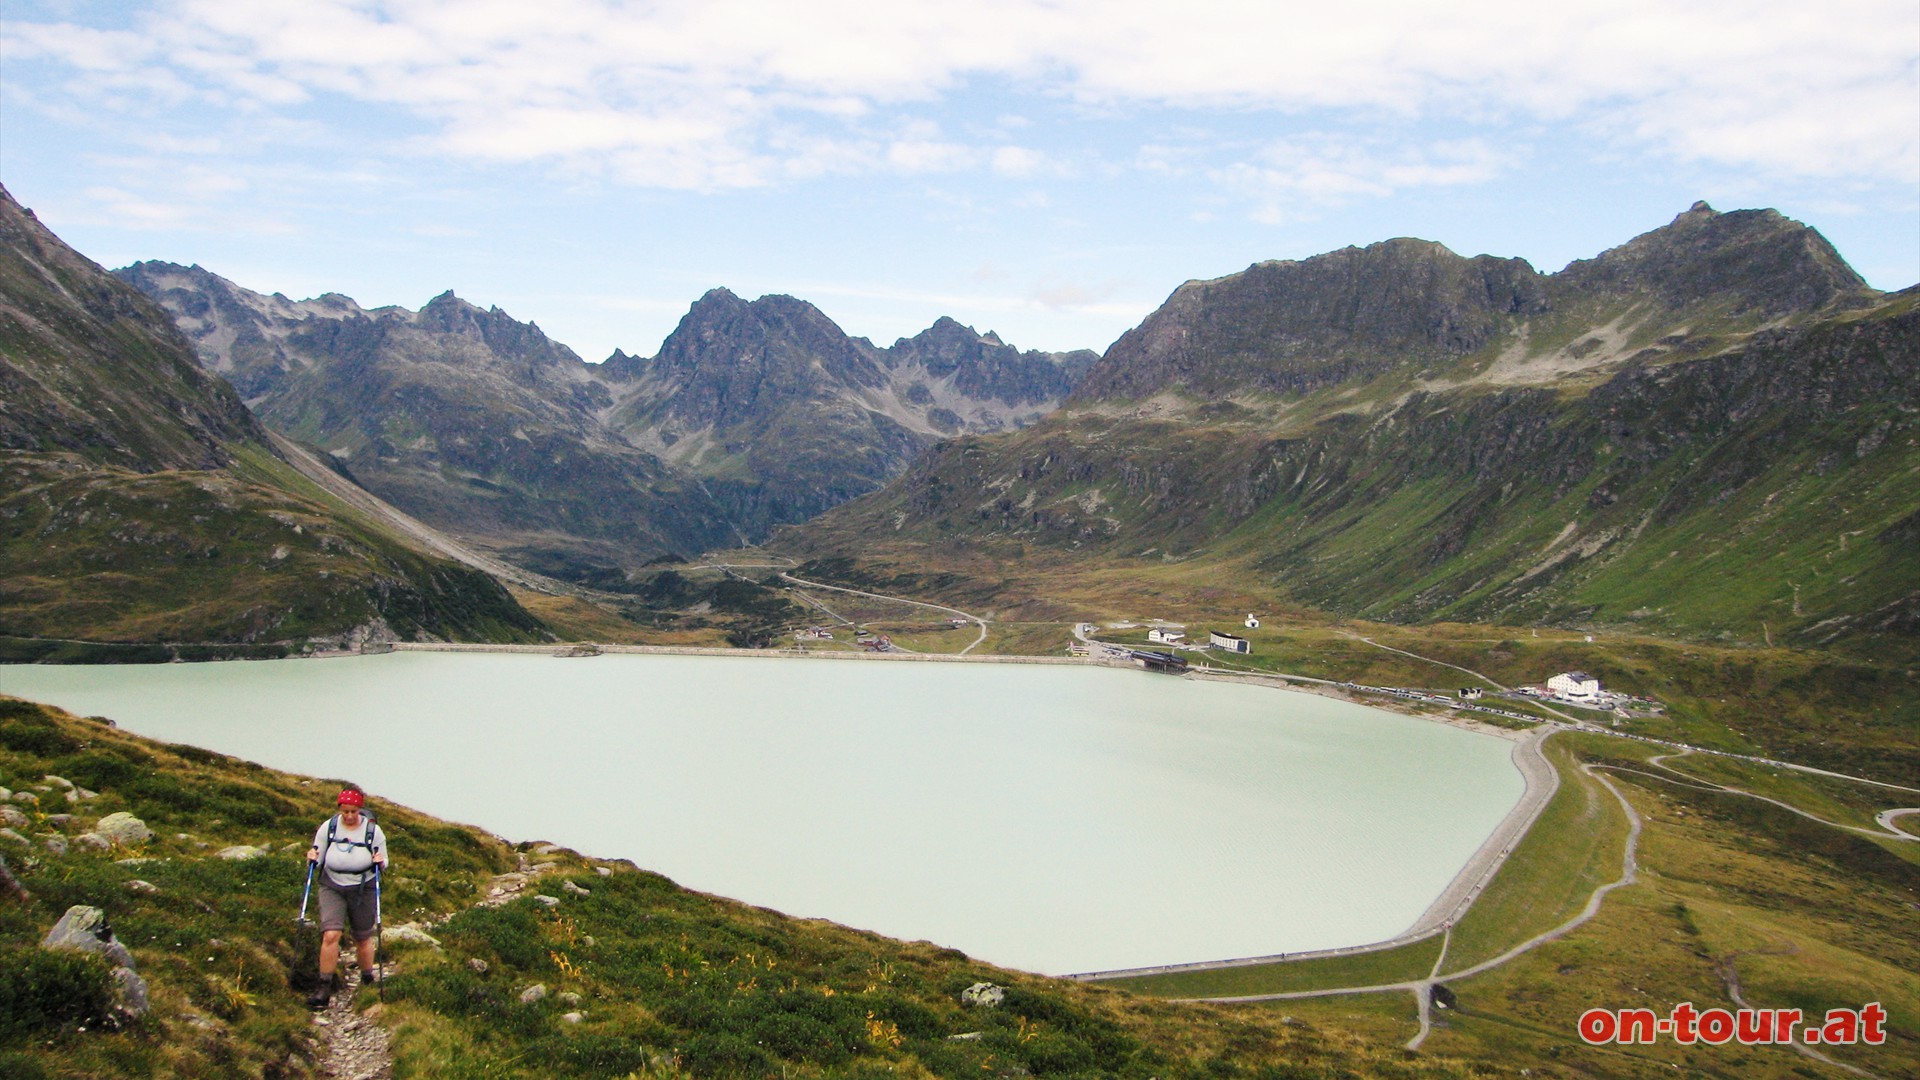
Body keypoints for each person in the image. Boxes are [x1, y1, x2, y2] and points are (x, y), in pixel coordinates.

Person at [305, 783, 389, 1008]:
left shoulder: (373, 832)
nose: (349, 816)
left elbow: (384, 861)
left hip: (363, 886)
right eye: (345, 811)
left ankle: (367, 977)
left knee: (362, 937)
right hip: (332, 885)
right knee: (331, 934)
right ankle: (324, 987)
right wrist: (312, 857)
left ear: (360, 810)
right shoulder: (329, 827)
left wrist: (380, 862)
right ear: (339, 809)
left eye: (353, 811)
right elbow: (318, 855)